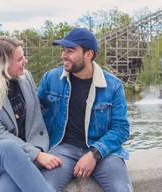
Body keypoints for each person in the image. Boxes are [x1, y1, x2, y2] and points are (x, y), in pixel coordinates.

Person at [0, 36, 62, 192]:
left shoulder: (25, 77)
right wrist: (36, 154)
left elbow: (38, 110)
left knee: (10, 179)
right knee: (9, 149)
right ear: (2, 64)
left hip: (22, 153)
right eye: (19, 59)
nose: (25, 61)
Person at [38, 28, 133, 192]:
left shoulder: (113, 86)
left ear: (89, 54)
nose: (63, 55)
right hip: (63, 149)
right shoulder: (51, 78)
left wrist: (95, 154)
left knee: (121, 189)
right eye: (63, 50)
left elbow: (121, 129)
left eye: (70, 51)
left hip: (103, 152)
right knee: (43, 188)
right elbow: (34, 116)